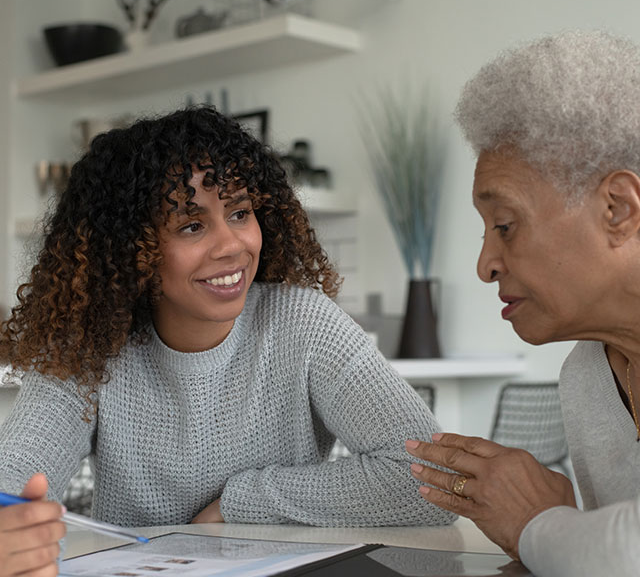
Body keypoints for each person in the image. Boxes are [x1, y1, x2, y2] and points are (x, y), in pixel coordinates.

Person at [0, 106, 454, 576]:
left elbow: (436, 480)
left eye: (239, 212)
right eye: (192, 226)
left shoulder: (304, 323)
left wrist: (242, 501)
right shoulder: (89, 346)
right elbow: (14, 474)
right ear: (132, 250)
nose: (232, 245)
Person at [406, 30, 640, 576]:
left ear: (618, 209)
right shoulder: (587, 376)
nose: (485, 264)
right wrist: (559, 525)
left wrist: (535, 519)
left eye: (505, 225)